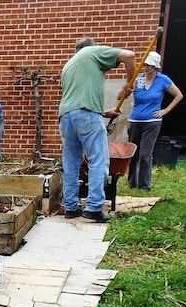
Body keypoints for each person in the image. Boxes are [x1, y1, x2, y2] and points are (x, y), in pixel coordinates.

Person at [58, 37, 135, 223]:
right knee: (98, 159)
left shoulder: (69, 65)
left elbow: (77, 97)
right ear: (93, 48)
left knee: (71, 162)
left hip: (66, 116)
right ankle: (93, 207)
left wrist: (103, 113)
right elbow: (129, 56)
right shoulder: (92, 51)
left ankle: (70, 207)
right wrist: (128, 83)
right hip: (86, 115)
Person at [126, 52, 184, 191]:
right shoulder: (138, 79)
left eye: (148, 65)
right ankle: (132, 183)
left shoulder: (163, 80)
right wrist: (127, 90)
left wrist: (165, 110)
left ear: (154, 67)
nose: (145, 68)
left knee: (145, 154)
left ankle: (144, 186)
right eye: (144, 65)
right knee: (133, 152)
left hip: (152, 122)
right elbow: (126, 93)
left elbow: (178, 95)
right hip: (135, 120)